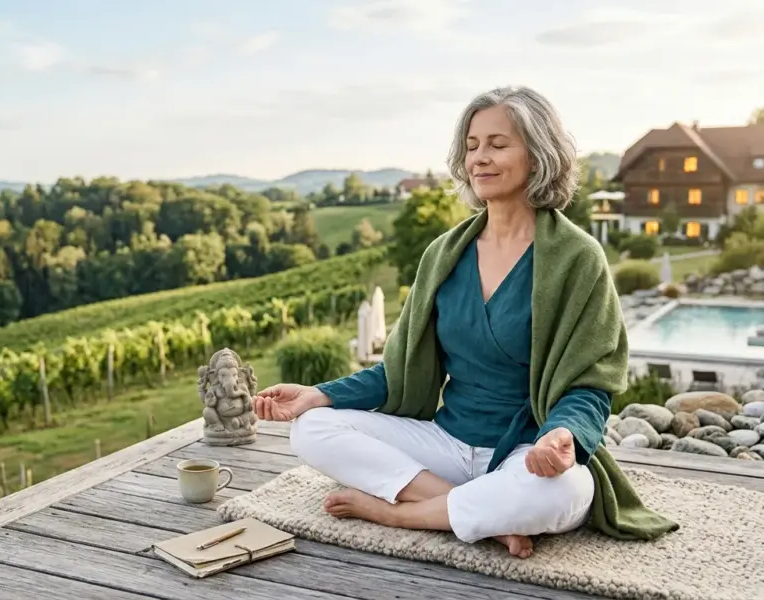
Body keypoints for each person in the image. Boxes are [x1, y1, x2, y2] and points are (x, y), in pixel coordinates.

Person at [253, 86, 678, 559]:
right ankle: (473, 512)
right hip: (447, 443)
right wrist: (319, 395)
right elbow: (399, 372)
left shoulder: (578, 258)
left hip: (525, 449)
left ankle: (403, 512)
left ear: (538, 156)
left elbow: (590, 385)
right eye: (472, 146)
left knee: (567, 492)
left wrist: (562, 437)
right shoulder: (443, 255)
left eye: (498, 144)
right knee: (311, 428)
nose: (480, 158)